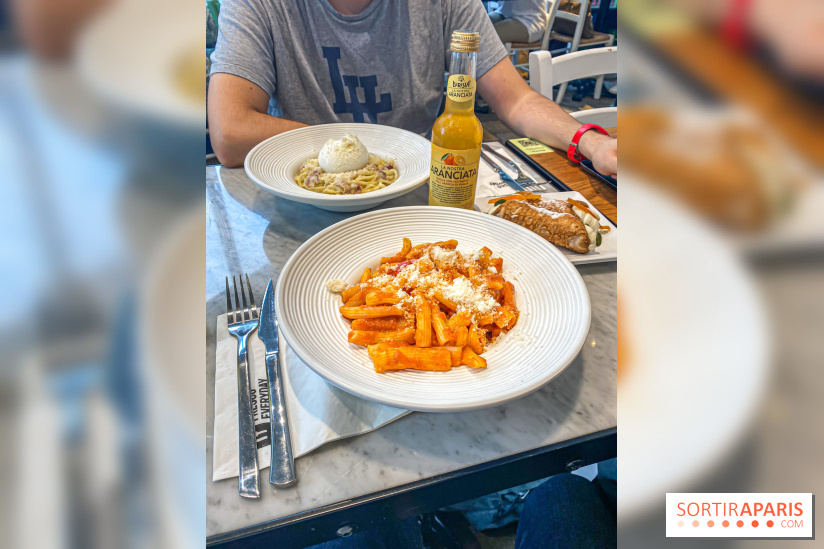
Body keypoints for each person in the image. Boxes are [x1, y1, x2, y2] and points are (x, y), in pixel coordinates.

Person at [208, 0, 617, 176]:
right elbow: (230, 133)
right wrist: (361, 153)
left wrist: (590, 142)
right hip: (303, 192)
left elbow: (516, 99)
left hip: (420, 191)